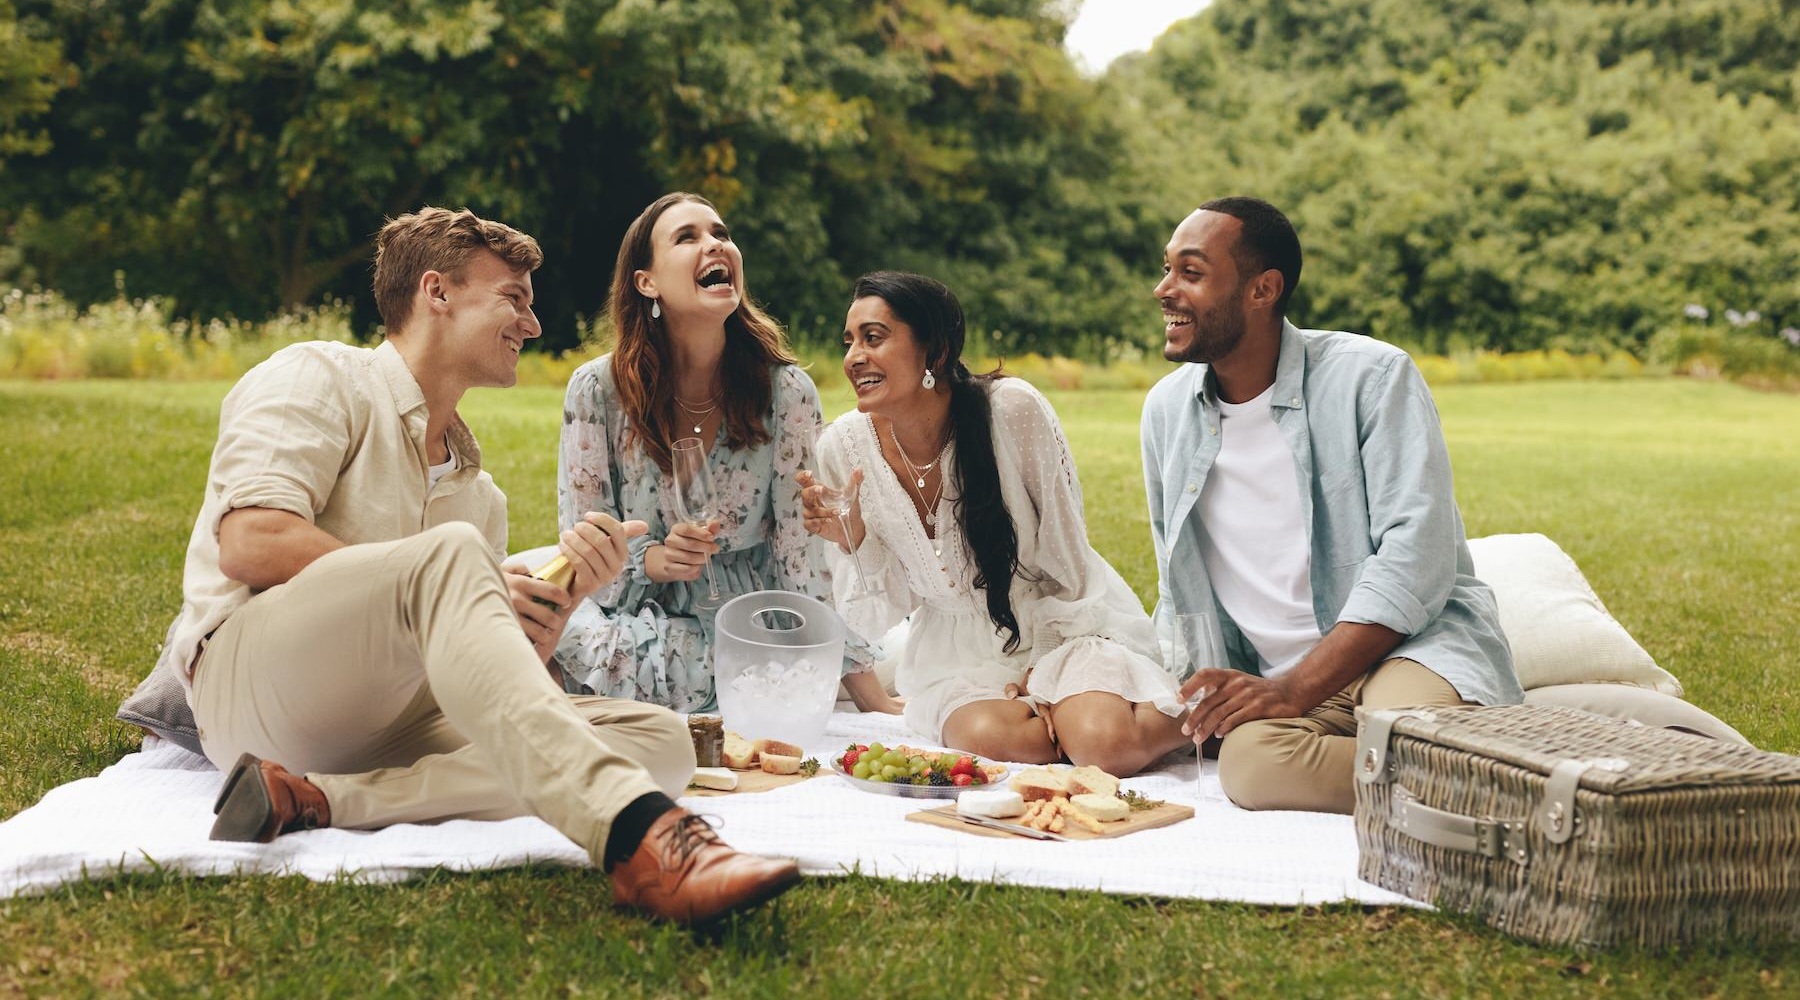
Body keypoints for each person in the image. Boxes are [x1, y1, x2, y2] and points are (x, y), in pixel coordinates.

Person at [163, 207, 800, 924]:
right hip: (257, 686)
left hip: (391, 721)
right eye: (514, 299)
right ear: (437, 293)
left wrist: (551, 610)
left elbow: (492, 672)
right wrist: (456, 577)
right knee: (453, 556)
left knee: (659, 742)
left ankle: (316, 800)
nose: (531, 326)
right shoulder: (320, 376)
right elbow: (251, 540)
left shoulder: (478, 494)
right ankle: (640, 837)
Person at [1142, 196, 1522, 814]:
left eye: (1190, 272)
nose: (1163, 290)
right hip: (1280, 684)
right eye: (1166, 269)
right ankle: (1476, 778)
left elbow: (1416, 558)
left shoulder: (1372, 378)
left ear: (1262, 290)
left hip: (1401, 652)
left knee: (1404, 734)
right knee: (1250, 768)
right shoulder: (1166, 412)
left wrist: (1298, 688)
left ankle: (1456, 768)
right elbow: (1175, 579)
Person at [798, 271, 1188, 776]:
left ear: (934, 353)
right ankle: (1086, 718)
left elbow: (1067, 561)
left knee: (1103, 747)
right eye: (849, 342)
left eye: (874, 338)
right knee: (988, 738)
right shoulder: (842, 448)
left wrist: (1043, 665)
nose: (854, 357)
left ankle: (1206, 715)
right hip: (958, 653)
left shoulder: (1013, 411)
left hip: (1061, 621)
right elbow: (875, 618)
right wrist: (854, 541)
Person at [554, 192, 898, 715]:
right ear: (646, 282)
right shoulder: (597, 390)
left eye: (721, 233)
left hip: (747, 619)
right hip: (631, 611)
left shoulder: (787, 393)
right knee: (530, 614)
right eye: (687, 237)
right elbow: (586, 541)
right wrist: (656, 561)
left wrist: (873, 698)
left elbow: (800, 559)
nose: (715, 244)